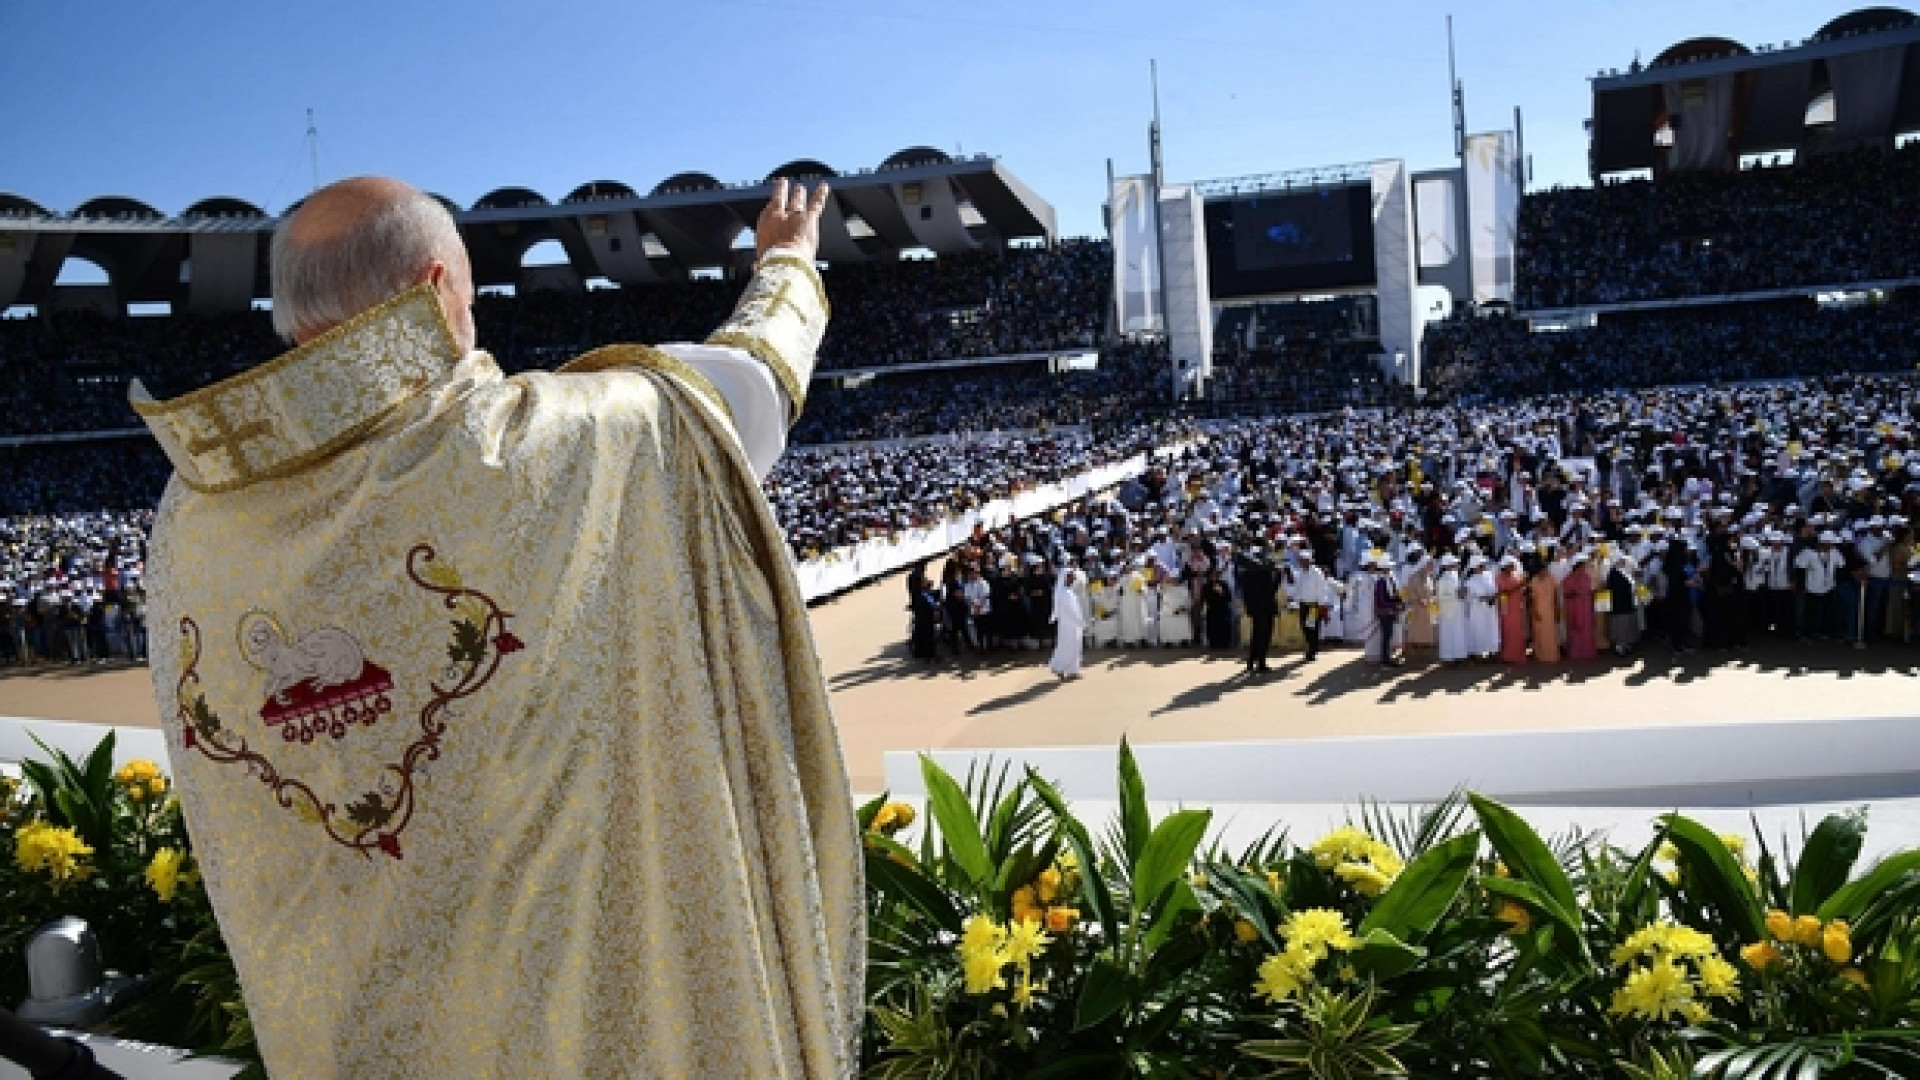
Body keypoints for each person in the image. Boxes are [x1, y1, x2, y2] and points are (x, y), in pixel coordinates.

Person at [136, 176, 861, 1079]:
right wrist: (786, 260)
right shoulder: (538, 446)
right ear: (440, 287)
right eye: (472, 296)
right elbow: (745, 390)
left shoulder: (196, 519)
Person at [1239, 546, 1279, 675]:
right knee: (1264, 634)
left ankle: (1251, 660)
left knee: (1256, 633)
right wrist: (1278, 576)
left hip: (1255, 608)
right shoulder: (1265, 573)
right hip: (1265, 607)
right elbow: (1271, 590)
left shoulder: (1246, 573)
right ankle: (1261, 662)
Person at [1049, 567, 1086, 678]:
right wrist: (1082, 623)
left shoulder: (1068, 591)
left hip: (1073, 624)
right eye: (1071, 576)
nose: (1073, 578)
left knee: (1075, 646)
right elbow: (1071, 611)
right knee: (1067, 646)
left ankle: (1073, 671)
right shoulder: (1063, 593)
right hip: (1069, 624)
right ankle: (1058, 668)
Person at [1434, 554, 1470, 665]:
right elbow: (1442, 595)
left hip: (1457, 608)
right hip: (1448, 610)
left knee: (1458, 632)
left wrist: (1461, 592)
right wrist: (1457, 594)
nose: (1456, 565)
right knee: (1448, 633)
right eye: (1454, 563)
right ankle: (1448, 657)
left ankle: (1459, 655)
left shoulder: (1455, 575)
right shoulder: (1442, 579)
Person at [1563, 551, 1597, 660]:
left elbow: (1590, 591)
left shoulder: (1587, 577)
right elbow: (1566, 595)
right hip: (1574, 607)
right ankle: (1575, 652)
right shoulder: (1568, 579)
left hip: (1586, 607)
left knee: (1587, 628)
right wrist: (1575, 594)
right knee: (1575, 629)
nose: (1585, 567)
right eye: (1583, 565)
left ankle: (1587, 651)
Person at [1496, 556, 1529, 663]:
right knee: (1508, 632)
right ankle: (1508, 656)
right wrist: (1519, 586)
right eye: (1511, 565)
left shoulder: (1517, 575)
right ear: (1505, 567)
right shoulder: (1499, 578)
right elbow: (1503, 593)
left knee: (1519, 631)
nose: (1513, 567)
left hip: (1518, 607)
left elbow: (1522, 588)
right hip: (1507, 608)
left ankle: (1519, 655)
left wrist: (1525, 587)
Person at [1605, 553, 1640, 654]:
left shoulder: (1625, 572)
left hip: (1628, 602)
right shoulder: (1613, 573)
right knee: (1620, 625)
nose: (1624, 562)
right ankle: (1619, 646)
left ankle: (1626, 644)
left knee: (1628, 624)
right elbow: (1615, 588)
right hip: (1619, 604)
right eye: (1621, 560)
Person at [1528, 561, 1563, 662]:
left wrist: (1557, 609)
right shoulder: (1534, 581)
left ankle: (1552, 655)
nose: (1545, 572)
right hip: (1538, 610)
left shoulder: (1551, 579)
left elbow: (1555, 595)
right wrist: (1534, 611)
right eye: (1543, 570)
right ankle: (1540, 655)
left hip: (1550, 610)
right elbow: (1532, 599)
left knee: (1551, 633)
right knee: (1539, 634)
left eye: (1546, 570)